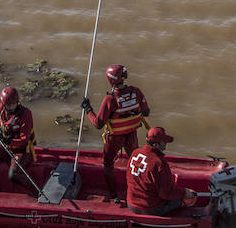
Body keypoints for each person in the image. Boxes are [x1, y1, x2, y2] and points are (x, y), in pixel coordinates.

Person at [81, 64, 150, 199]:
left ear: (110, 80)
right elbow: (146, 112)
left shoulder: (110, 99)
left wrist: (88, 109)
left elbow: (98, 124)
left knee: (108, 165)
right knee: (135, 163)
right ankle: (140, 191)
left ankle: (114, 196)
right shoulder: (136, 92)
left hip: (114, 138)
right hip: (132, 135)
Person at [125, 125, 197, 215]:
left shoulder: (135, 153)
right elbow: (166, 194)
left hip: (131, 204)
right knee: (190, 198)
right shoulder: (159, 163)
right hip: (149, 209)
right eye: (163, 141)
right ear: (155, 144)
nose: (166, 143)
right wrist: (185, 193)